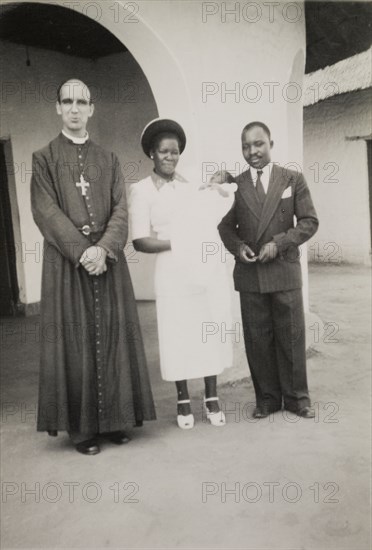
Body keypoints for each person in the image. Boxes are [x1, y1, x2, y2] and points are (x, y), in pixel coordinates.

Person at [31, 78, 156, 455]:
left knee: (115, 336)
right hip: (68, 267)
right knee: (76, 341)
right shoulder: (44, 158)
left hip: (109, 262)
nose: (73, 108)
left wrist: (103, 249)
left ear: (91, 109)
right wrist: (84, 252)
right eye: (66, 101)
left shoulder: (109, 158)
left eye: (81, 102)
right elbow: (45, 210)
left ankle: (116, 421)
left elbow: (121, 208)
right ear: (58, 108)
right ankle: (83, 431)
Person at [129, 118, 233, 429]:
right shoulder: (141, 190)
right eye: (164, 152)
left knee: (207, 326)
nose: (170, 157)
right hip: (171, 269)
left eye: (175, 152)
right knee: (177, 333)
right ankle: (183, 397)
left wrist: (217, 191)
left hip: (200, 268)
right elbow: (139, 240)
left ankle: (211, 396)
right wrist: (178, 243)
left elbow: (212, 210)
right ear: (152, 153)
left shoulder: (191, 187)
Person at [218, 121, 319, 419]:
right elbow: (225, 227)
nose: (253, 151)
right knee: (258, 340)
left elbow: (309, 222)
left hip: (284, 270)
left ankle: (298, 398)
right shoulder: (234, 186)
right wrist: (239, 248)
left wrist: (280, 242)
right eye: (246, 146)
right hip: (251, 274)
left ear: (271, 144)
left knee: (291, 337)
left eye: (258, 144)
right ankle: (267, 399)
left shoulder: (292, 179)